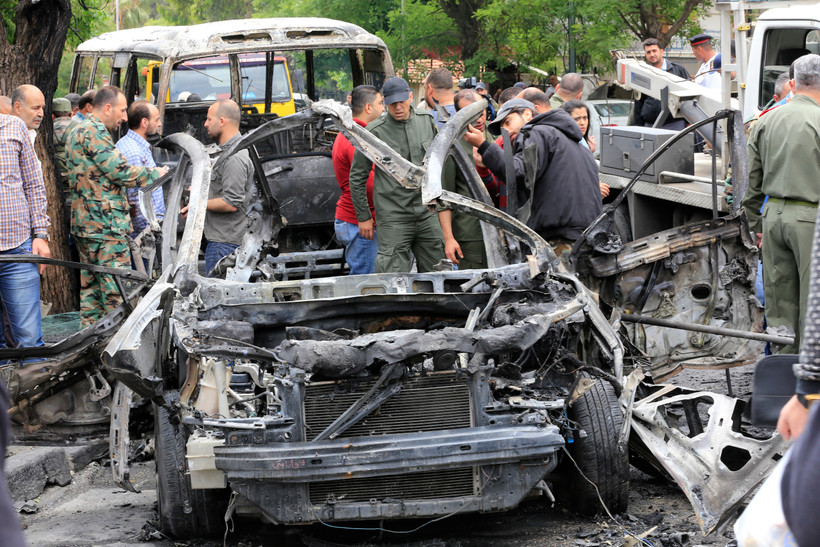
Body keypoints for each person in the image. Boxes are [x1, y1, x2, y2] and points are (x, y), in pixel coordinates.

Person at [65, 85, 167, 327]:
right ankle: (117, 345)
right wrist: (157, 173)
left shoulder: (77, 128)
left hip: (87, 225)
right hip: (105, 228)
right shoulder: (94, 131)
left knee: (91, 293)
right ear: (107, 108)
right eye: (122, 110)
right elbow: (120, 172)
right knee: (116, 295)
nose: (124, 117)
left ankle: (92, 342)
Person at [742, 53, 820, 355]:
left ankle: (782, 367)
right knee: (813, 302)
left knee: (779, 303)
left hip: (773, 217)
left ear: (794, 82)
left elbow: (751, 180)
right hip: (811, 219)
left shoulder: (767, 119)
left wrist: (756, 224)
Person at [463, 98, 602, 259]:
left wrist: (484, 146)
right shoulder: (572, 141)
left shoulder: (535, 132)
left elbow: (518, 173)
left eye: (508, 122)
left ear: (528, 114)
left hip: (559, 239)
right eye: (502, 128)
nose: (506, 131)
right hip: (585, 236)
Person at [348, 76, 447, 273]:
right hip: (394, 215)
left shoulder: (426, 121)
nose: (398, 107)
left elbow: (437, 167)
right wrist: (363, 216)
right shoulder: (374, 131)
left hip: (427, 212)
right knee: (392, 275)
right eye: (392, 103)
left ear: (410, 97)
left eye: (402, 101)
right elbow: (357, 176)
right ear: (385, 102)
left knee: (438, 271)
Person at [0, 113, 51, 350]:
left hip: (17, 249)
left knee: (29, 339)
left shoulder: (13, 126)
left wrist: (40, 234)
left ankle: (34, 374)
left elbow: (33, 183)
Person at [199, 99, 255, 275]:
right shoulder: (227, 153)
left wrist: (197, 204)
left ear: (222, 121)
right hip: (221, 243)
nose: (205, 124)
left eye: (209, 119)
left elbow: (231, 202)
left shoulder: (234, 158)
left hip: (224, 246)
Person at [332, 85, 384, 275]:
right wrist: (365, 217)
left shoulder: (355, 133)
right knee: (366, 280)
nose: (384, 109)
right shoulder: (354, 138)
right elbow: (367, 183)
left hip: (358, 219)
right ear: (368, 107)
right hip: (359, 222)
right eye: (381, 103)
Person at [116, 100, 166, 248]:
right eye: (156, 120)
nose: (159, 124)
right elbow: (136, 201)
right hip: (141, 236)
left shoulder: (137, 146)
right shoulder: (134, 152)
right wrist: (146, 232)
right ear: (144, 122)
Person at [634, 38, 691, 129]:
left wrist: (689, 122)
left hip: (675, 124)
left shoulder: (678, 70)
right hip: (650, 124)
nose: (652, 54)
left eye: (654, 51)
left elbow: (689, 97)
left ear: (661, 51)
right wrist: (638, 126)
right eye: (648, 52)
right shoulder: (644, 74)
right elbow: (639, 102)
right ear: (645, 55)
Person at [562, 99, 610, 199]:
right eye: (577, 119)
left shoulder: (581, 140)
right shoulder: (563, 143)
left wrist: (588, 152)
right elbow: (568, 178)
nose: (582, 123)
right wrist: (592, 188)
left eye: (585, 118)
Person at [52, 97, 78, 179]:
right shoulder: (80, 127)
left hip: (54, 177)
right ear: (71, 114)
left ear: (52, 116)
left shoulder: (45, 130)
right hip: (76, 178)